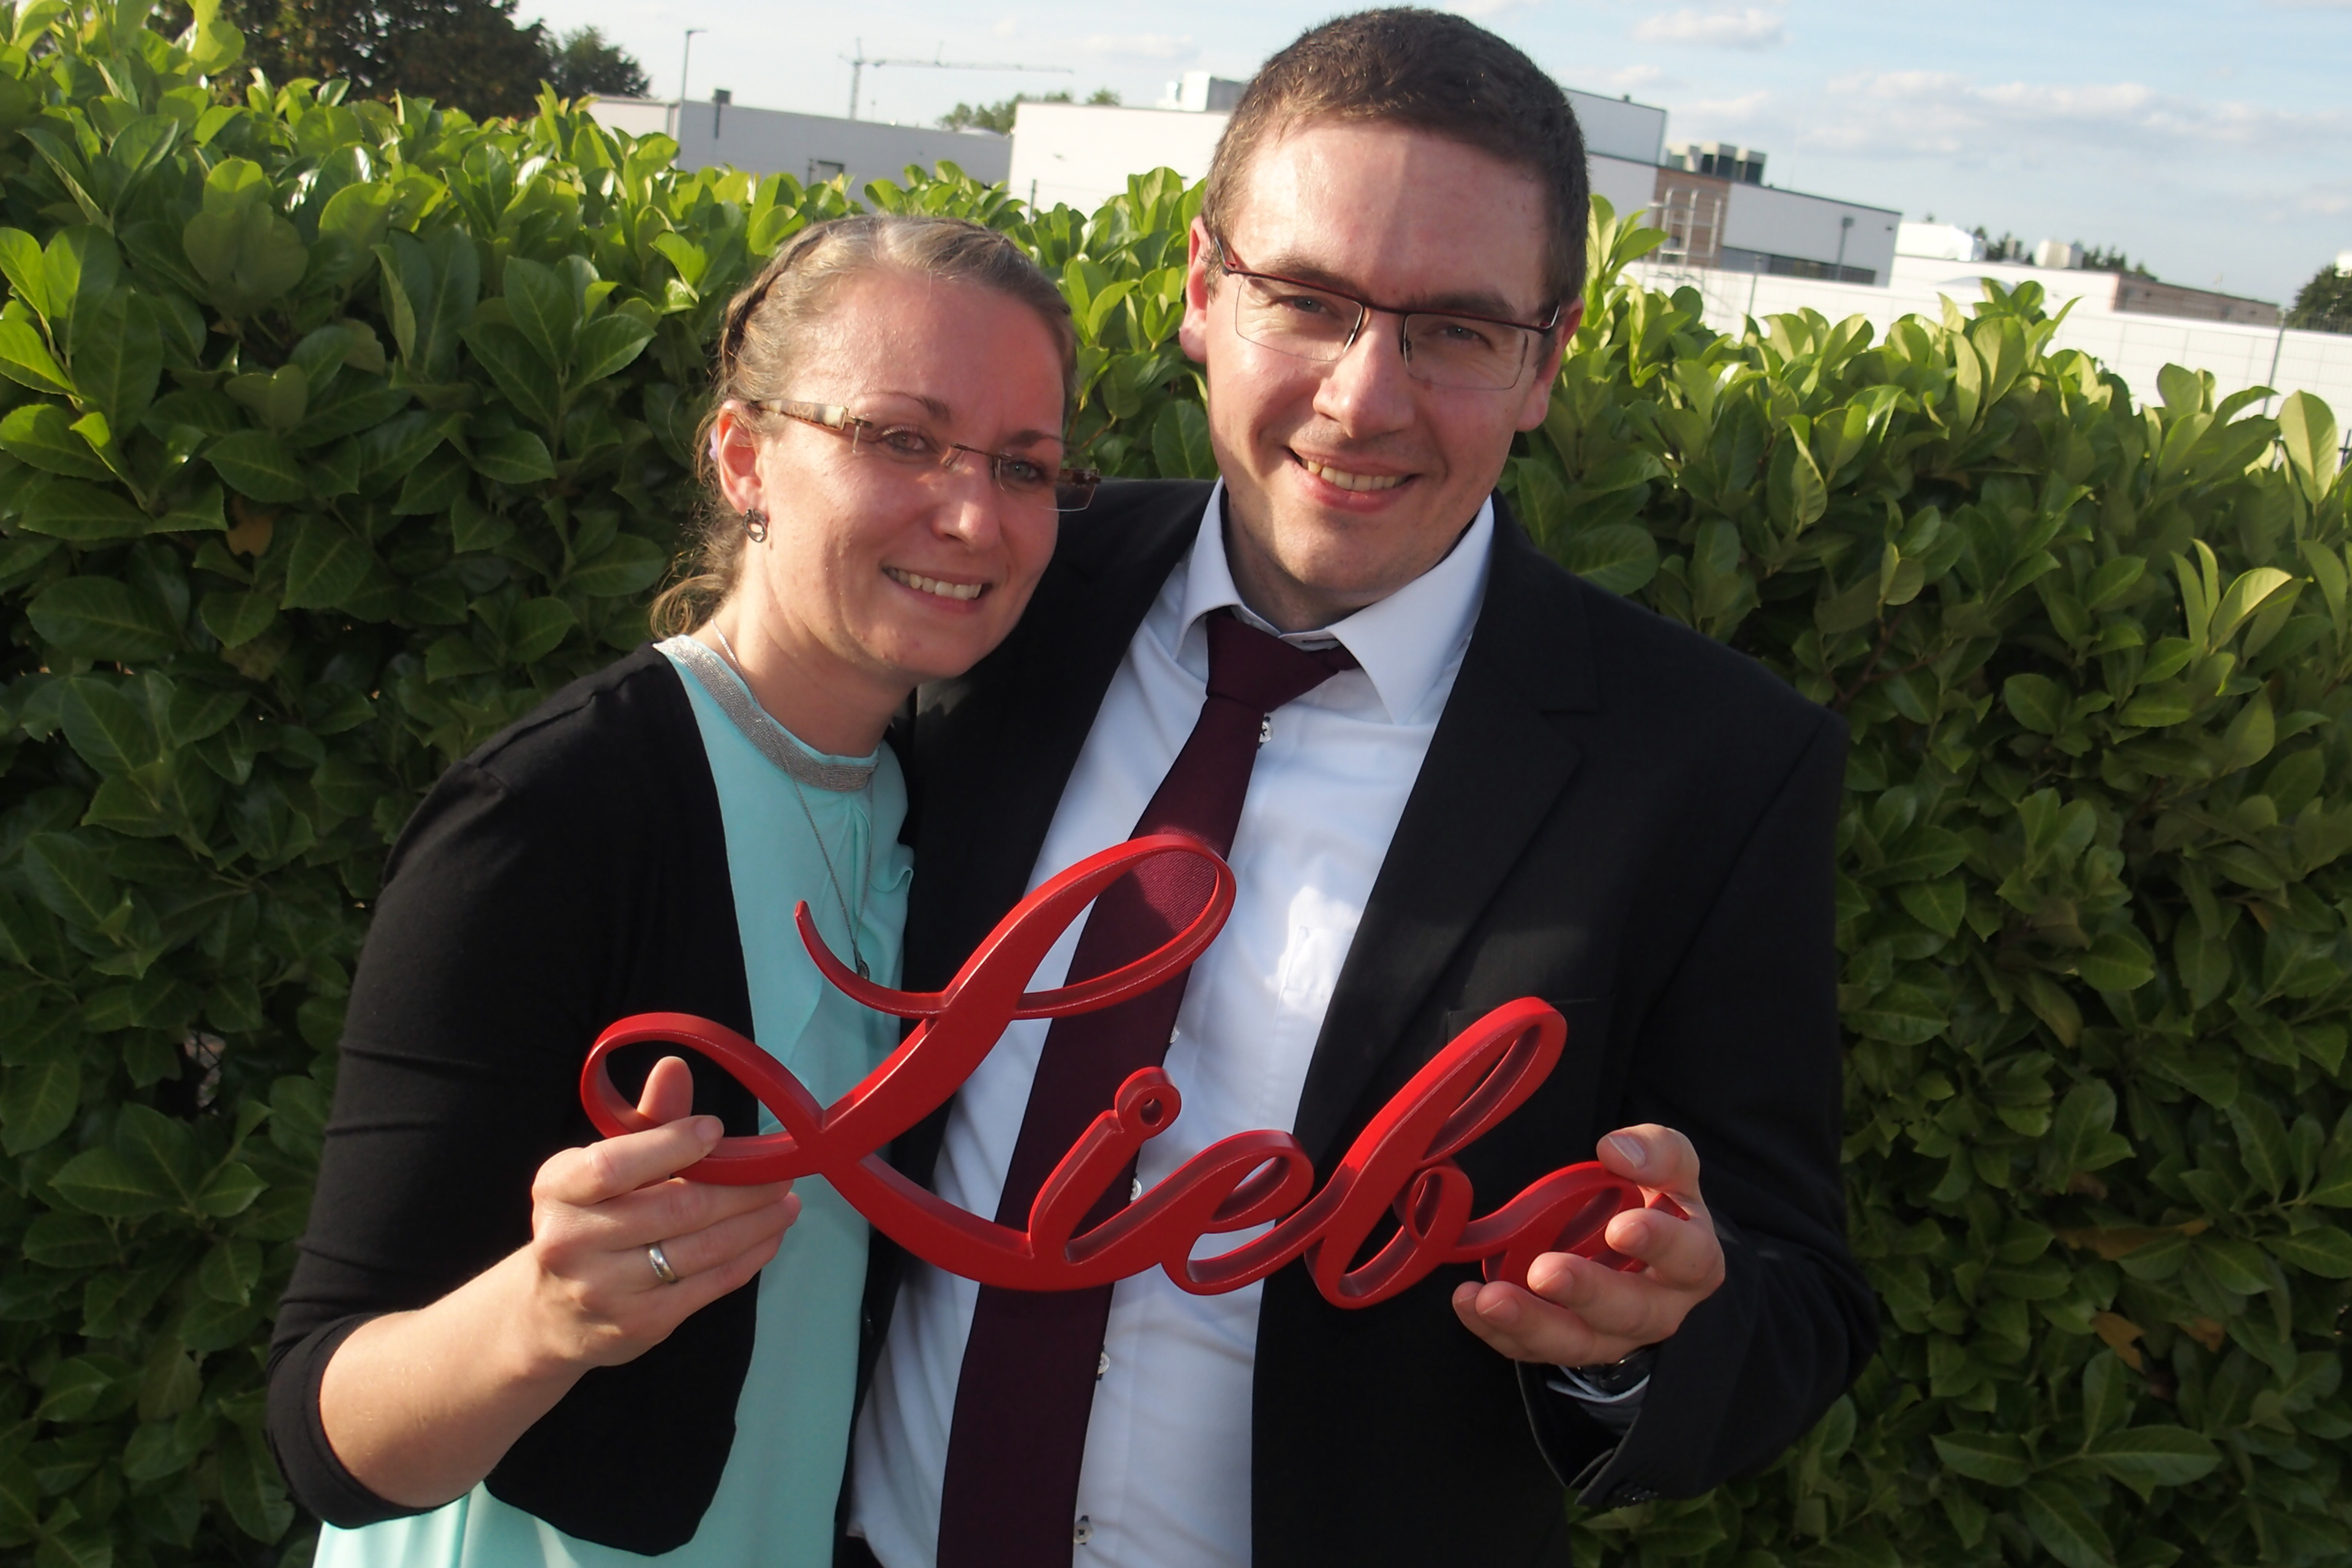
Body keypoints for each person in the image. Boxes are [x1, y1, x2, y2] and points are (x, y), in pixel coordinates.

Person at [843, 12, 1877, 1567]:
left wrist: (1637, 1335)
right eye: (1310, 302)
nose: (1363, 397)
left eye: (1454, 329)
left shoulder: (1712, 766)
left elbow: (1799, 1296)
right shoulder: (1000, 597)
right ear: (1204, 291)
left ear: (1546, 361)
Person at [263, 214, 1092, 1567]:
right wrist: (546, 1313)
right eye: (900, 438)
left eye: (1025, 466)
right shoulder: (545, 821)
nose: (972, 514)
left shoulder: (946, 805)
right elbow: (327, 1437)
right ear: (745, 455)